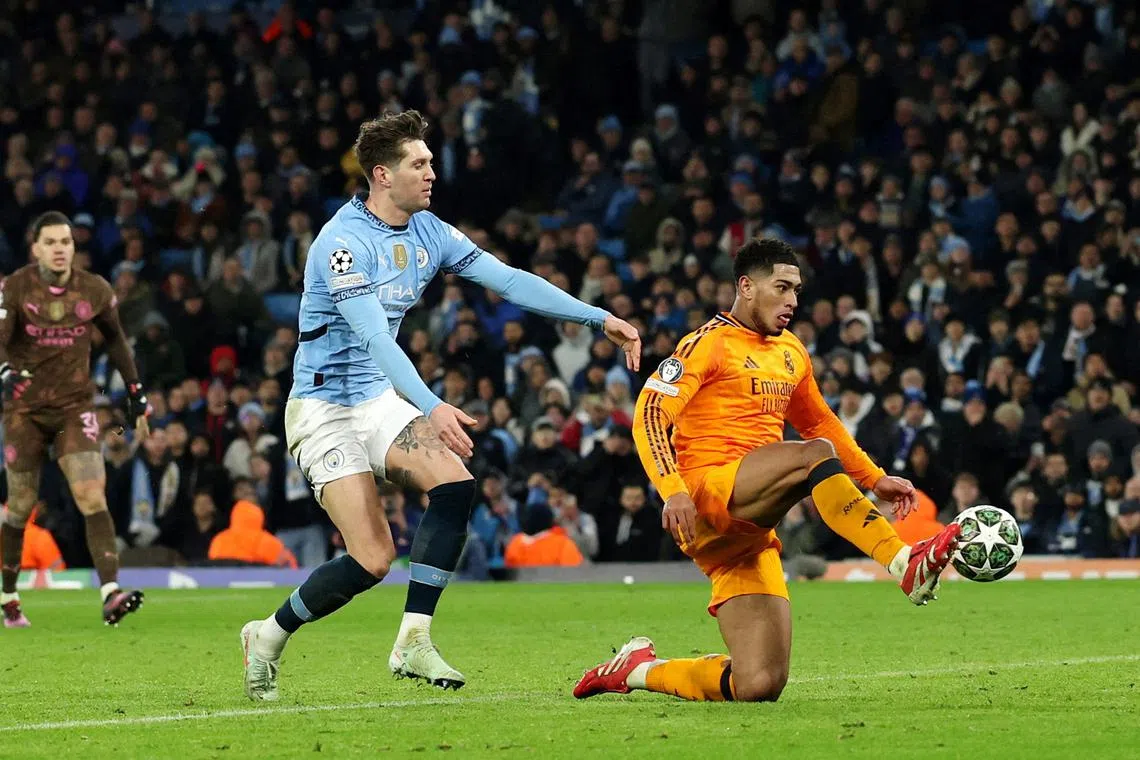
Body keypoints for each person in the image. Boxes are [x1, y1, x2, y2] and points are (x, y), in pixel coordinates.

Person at [240, 110, 641, 701]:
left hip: (377, 398)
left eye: (430, 162)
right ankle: (268, 635)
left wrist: (599, 316)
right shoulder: (342, 244)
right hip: (324, 409)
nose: (432, 173)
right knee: (372, 559)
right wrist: (429, 404)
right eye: (419, 164)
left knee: (454, 484)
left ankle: (413, 638)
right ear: (382, 175)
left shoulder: (430, 231)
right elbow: (377, 337)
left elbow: (508, 280)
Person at [573, 238, 960, 703]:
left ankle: (637, 670)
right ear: (746, 287)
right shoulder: (707, 344)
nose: (793, 301)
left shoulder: (791, 351)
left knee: (759, 683)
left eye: (797, 290)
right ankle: (903, 563)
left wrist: (874, 477)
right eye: (782, 287)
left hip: (746, 531)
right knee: (810, 453)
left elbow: (820, 420)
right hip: (704, 495)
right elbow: (650, 414)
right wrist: (672, 490)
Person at [0, 211, 150, 628]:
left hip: (74, 409)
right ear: (36, 249)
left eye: (65, 241)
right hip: (24, 410)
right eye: (50, 242)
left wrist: (136, 391)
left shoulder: (95, 290)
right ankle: (9, 596)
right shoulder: (15, 287)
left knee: (91, 495)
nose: (60, 249)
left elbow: (117, 340)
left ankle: (110, 593)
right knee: (21, 507)